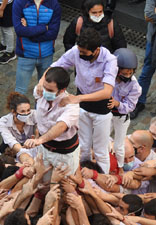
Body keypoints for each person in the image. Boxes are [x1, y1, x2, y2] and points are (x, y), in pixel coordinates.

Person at [38, 28, 118, 174]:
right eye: (80, 51)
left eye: (84, 53)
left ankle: (102, 180)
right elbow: (57, 65)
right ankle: (81, 176)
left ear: (96, 50)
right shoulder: (76, 50)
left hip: (101, 108)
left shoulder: (109, 60)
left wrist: (78, 98)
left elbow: (107, 91)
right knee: (84, 146)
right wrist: (42, 80)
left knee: (100, 150)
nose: (80, 55)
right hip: (81, 105)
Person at [24, 67, 80, 178]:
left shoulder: (71, 106)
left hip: (64, 154)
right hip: (43, 149)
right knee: (42, 181)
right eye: (44, 87)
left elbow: (61, 126)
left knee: (64, 185)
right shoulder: (40, 91)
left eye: (50, 90)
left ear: (62, 90)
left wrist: (40, 140)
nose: (44, 92)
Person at [12, 0, 61, 94]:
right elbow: (19, 31)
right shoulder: (19, 3)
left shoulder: (54, 4)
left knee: (44, 90)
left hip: (47, 55)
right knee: (20, 91)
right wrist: (44, 28)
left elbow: (53, 33)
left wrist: (29, 33)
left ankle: (40, 109)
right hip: (25, 55)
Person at [109, 48, 142, 173]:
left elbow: (130, 107)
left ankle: (120, 167)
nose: (128, 76)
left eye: (130, 73)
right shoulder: (109, 77)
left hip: (121, 117)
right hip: (107, 114)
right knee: (102, 137)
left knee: (119, 144)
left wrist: (117, 103)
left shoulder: (135, 86)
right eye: (125, 73)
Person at [0, 92, 38, 165]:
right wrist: (25, 153)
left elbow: (40, 129)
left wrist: (36, 139)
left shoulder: (34, 114)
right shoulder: (3, 122)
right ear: (14, 112)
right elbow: (11, 142)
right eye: (22, 111)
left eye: (28, 110)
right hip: (11, 151)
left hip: (29, 148)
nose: (26, 114)